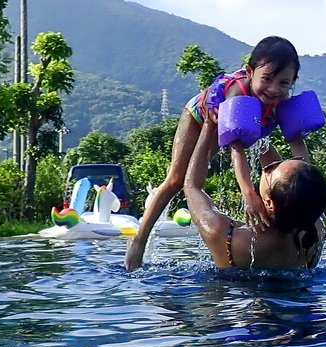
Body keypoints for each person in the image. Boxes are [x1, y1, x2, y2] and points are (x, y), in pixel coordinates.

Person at [124, 35, 309, 271]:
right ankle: (139, 241)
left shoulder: (283, 99)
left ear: (293, 81)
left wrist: (306, 189)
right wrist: (249, 195)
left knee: (281, 173)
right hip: (203, 117)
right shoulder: (238, 94)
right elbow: (236, 147)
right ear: (250, 72)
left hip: (250, 126)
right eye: (267, 78)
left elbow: (298, 147)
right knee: (177, 179)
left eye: (284, 83)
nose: (274, 89)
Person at [183, 117, 326, 269]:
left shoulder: (233, 239)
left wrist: (209, 123)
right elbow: (294, 187)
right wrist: (257, 129)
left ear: (269, 203)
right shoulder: (316, 227)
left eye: (270, 171)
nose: (268, 167)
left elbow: (192, 187)